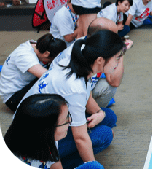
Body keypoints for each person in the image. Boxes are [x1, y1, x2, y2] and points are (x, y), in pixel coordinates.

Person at [20, 30, 124, 168]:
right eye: (117, 58)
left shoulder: (80, 54)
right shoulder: (74, 87)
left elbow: (86, 99)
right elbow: (80, 139)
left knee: (108, 116)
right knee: (104, 136)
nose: (118, 62)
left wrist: (100, 113)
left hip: (39, 127)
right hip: (33, 148)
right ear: (100, 60)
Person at [4, 94, 104, 169]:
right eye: (65, 120)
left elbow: (55, 164)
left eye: (68, 115)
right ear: (47, 130)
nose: (70, 121)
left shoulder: (46, 139)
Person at [0, 33, 66, 112]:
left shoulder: (40, 46)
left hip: (26, 85)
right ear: (46, 54)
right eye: (52, 59)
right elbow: (50, 77)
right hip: (13, 99)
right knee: (52, 81)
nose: (52, 61)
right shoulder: (25, 56)